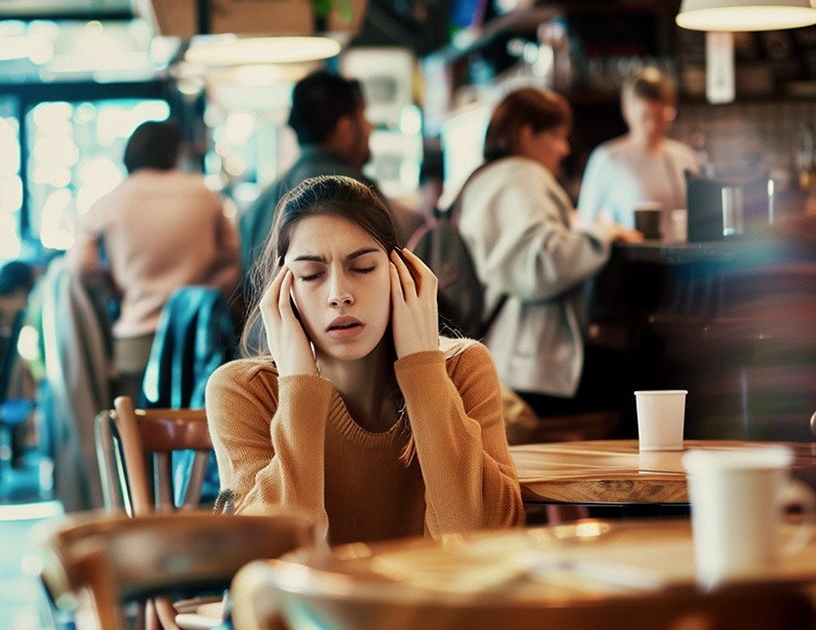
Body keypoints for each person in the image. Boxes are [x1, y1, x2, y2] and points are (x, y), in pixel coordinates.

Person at [207, 175, 523, 545]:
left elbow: (484, 545)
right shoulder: (243, 391)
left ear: (402, 274)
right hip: (311, 605)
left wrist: (422, 369)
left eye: (363, 268)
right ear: (283, 291)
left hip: (432, 600)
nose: (339, 294)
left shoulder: (461, 367)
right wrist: (298, 387)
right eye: (311, 275)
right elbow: (271, 559)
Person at [456, 87, 639, 418]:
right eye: (557, 136)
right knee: (635, 390)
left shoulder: (480, 179)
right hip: (532, 362)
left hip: (497, 354)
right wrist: (602, 234)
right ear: (526, 135)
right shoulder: (525, 176)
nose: (565, 149)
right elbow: (541, 263)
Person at [68, 120, 241, 400]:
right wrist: (202, 288)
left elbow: (80, 266)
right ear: (175, 153)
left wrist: (114, 286)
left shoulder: (111, 200)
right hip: (197, 334)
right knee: (197, 429)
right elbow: (233, 260)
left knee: (136, 433)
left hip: (137, 334)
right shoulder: (205, 195)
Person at [237, 70, 379, 303]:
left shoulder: (257, 208)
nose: (370, 126)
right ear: (345, 127)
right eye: (364, 117)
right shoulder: (363, 198)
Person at [577, 67, 702, 229]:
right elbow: (586, 222)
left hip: (680, 252)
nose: (652, 126)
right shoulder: (607, 158)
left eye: (660, 117)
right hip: (632, 253)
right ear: (628, 112)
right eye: (646, 117)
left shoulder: (684, 156)